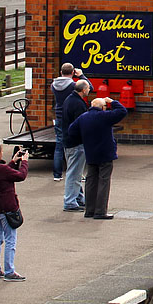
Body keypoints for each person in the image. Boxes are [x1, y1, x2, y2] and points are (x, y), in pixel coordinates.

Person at [66, 97, 128, 219]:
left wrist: (83, 139)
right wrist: (112, 101)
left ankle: (89, 210)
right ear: (103, 107)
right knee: (104, 181)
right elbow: (122, 111)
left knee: (91, 181)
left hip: (90, 152)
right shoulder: (105, 116)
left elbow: (71, 131)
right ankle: (100, 211)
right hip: (105, 153)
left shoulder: (83, 117)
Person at [0, 140, 28, 281]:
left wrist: (13, 161)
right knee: (10, 240)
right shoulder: (1, 169)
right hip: (7, 207)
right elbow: (20, 176)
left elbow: (3, 174)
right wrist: (25, 162)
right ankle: (10, 271)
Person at [61, 79, 91, 211]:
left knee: (76, 172)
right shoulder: (79, 105)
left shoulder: (69, 99)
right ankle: (70, 202)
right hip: (77, 143)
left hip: (68, 141)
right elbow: (83, 124)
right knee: (74, 173)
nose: (89, 90)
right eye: (88, 88)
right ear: (83, 90)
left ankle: (78, 198)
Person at [50, 62, 77, 181]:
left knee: (59, 145)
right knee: (75, 146)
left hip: (59, 116)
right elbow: (88, 88)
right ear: (73, 72)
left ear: (61, 72)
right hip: (70, 116)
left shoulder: (53, 85)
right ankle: (75, 173)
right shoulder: (73, 86)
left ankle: (57, 174)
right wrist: (81, 76)